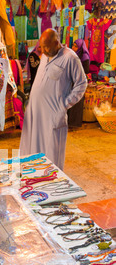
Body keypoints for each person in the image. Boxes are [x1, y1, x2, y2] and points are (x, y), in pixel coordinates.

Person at [19, 29, 88, 170]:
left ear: (57, 43)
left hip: (53, 113)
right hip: (35, 111)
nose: (43, 51)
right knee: (32, 148)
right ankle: (34, 175)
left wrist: (64, 104)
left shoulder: (70, 58)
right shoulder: (45, 55)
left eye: (46, 47)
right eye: (41, 47)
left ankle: (50, 182)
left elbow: (82, 83)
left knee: (51, 152)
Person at [68, 39, 90, 127]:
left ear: (80, 47)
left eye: (76, 46)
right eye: (73, 45)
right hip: (72, 80)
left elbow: (86, 70)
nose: (73, 47)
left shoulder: (84, 57)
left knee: (77, 103)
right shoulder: (73, 55)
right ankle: (69, 122)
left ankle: (74, 123)